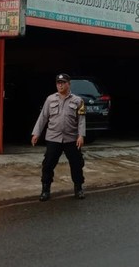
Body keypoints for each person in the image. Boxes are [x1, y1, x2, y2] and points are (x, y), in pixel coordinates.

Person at [31, 73, 87, 201]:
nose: (60, 85)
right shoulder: (50, 99)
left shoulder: (78, 101)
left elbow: (81, 120)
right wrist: (36, 133)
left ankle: (78, 188)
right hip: (53, 138)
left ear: (69, 84)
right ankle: (45, 189)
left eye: (63, 82)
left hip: (71, 139)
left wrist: (81, 136)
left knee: (77, 164)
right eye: (58, 83)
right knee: (48, 164)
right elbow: (43, 117)